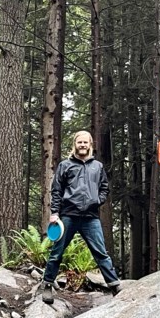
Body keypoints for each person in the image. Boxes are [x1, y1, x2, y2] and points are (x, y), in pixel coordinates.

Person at [41, 130, 122, 304]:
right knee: (57, 252)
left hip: (90, 217)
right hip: (68, 216)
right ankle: (47, 284)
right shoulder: (65, 165)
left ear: (90, 145)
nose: (83, 145)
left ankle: (114, 285)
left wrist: (96, 201)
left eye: (86, 143)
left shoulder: (97, 166)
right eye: (80, 142)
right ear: (75, 145)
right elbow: (56, 191)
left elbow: (104, 188)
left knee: (100, 252)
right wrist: (54, 213)